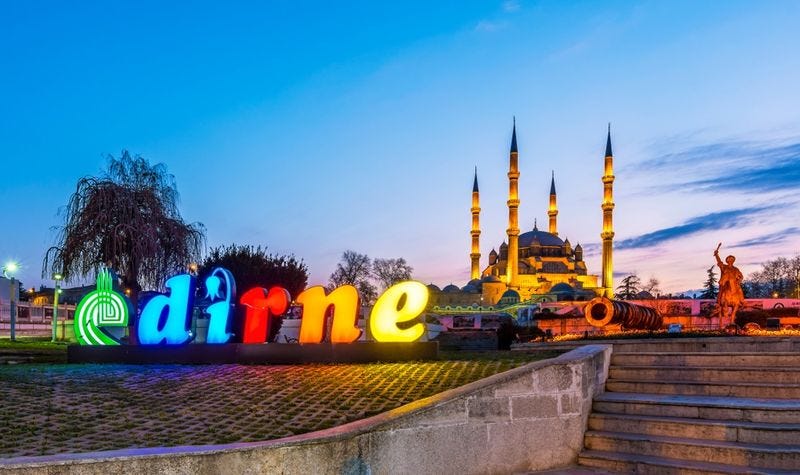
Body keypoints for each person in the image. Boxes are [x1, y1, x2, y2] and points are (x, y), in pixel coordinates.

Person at [714, 244, 744, 326]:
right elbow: (719, 262)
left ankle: (742, 301)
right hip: (726, 284)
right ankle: (718, 302)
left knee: (739, 289)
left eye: (732, 260)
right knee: (722, 291)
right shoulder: (724, 267)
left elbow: (741, 276)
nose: (730, 261)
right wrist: (716, 255)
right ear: (727, 261)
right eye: (729, 260)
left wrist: (739, 280)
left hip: (734, 283)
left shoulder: (736, 269)